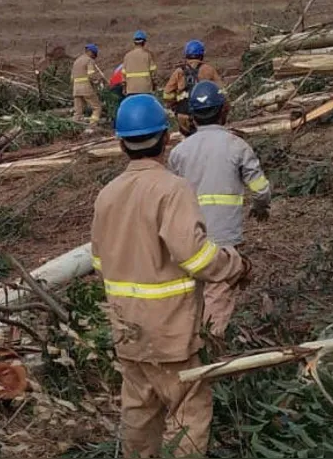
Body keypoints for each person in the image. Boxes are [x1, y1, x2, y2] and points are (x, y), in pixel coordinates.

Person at [91, 93, 251, 457]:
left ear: (120, 143)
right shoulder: (172, 189)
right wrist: (235, 265)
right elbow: (196, 257)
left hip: (126, 327)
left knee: (138, 412)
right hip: (170, 329)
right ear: (166, 139)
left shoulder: (107, 195)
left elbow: (100, 262)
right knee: (189, 413)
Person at [167, 81, 271, 340]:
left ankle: (189, 342)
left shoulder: (179, 152)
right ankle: (211, 347)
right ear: (224, 111)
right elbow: (260, 189)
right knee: (219, 288)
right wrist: (260, 208)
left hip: (189, 235)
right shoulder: (237, 146)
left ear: (192, 116)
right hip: (224, 236)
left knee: (192, 290)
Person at [163, 40, 224, 137]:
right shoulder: (209, 69)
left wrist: (175, 106)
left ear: (186, 55)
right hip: (206, 114)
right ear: (202, 55)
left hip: (184, 116)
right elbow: (222, 92)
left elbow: (167, 94)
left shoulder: (179, 72)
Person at [70, 43, 103, 124]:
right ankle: (93, 125)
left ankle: (76, 125)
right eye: (94, 54)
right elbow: (91, 74)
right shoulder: (89, 60)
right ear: (91, 52)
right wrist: (97, 81)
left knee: (78, 111)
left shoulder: (77, 61)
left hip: (76, 89)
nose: (94, 56)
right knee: (97, 107)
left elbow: (71, 78)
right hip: (86, 88)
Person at [122, 30, 158, 95]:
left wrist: (124, 89)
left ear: (134, 42)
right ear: (144, 43)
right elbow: (153, 74)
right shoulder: (148, 56)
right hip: (146, 90)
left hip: (131, 90)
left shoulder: (127, 56)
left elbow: (124, 76)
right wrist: (155, 86)